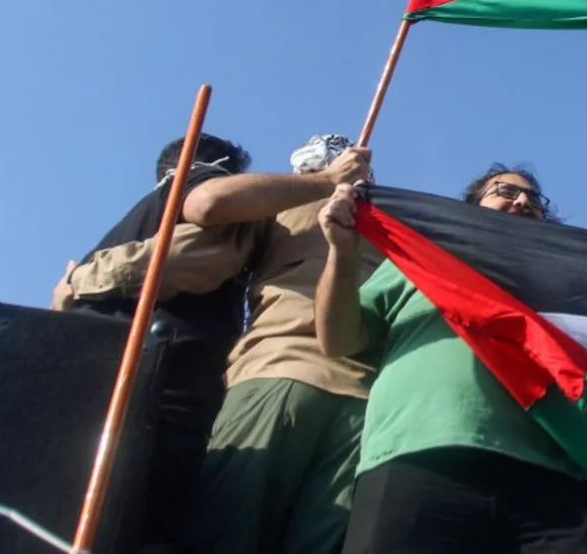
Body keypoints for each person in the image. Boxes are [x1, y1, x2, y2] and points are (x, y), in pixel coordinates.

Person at [56, 134, 374, 553]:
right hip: (360, 402)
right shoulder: (391, 223)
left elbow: (199, 238)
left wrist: (78, 283)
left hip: (256, 378)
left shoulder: (266, 208)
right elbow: (202, 232)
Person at [316, 165, 587, 554]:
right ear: (472, 206)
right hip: (420, 458)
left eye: (534, 199)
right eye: (504, 191)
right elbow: (338, 340)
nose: (522, 201)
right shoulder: (419, 256)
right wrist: (341, 252)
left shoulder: (566, 283)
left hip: (551, 478)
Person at [52, 133, 262, 549]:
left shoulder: (119, 230)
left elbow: (62, 312)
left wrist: (78, 281)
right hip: (160, 390)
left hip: (85, 389)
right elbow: (193, 259)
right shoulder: (204, 183)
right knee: (142, 527)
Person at [175, 135, 381, 554]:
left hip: (362, 404)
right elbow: (207, 205)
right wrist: (325, 182)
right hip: (287, 377)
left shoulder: (393, 222)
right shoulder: (281, 203)